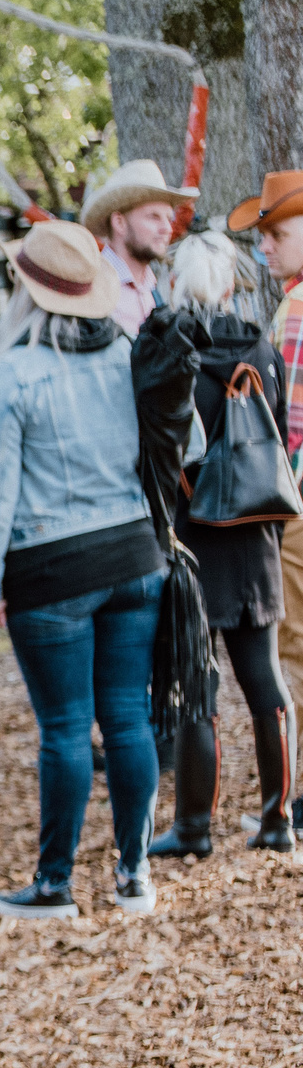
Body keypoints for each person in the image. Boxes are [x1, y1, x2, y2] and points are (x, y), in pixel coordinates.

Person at [0, 218, 166, 919]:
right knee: (129, 718)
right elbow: (187, 441)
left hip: (50, 569)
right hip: (137, 556)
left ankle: (55, 884)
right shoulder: (132, 356)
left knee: (65, 726)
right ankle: (134, 873)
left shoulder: (14, 372)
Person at [141, 229, 295, 856]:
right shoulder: (263, 351)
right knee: (266, 682)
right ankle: (277, 821)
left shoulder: (172, 357)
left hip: (193, 539)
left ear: (180, 283)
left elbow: (158, 449)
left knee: (194, 685)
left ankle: (195, 827)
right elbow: (280, 435)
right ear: (232, 284)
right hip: (256, 535)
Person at [229, 172, 303, 700]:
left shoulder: (296, 311)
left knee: (296, 645)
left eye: (279, 234)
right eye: (263, 234)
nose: (265, 246)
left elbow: (289, 435)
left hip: (300, 510)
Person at [83, 159, 197, 336]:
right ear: (119, 222)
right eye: (154, 217)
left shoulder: (152, 289)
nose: (167, 228)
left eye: (168, 218)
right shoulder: (91, 288)